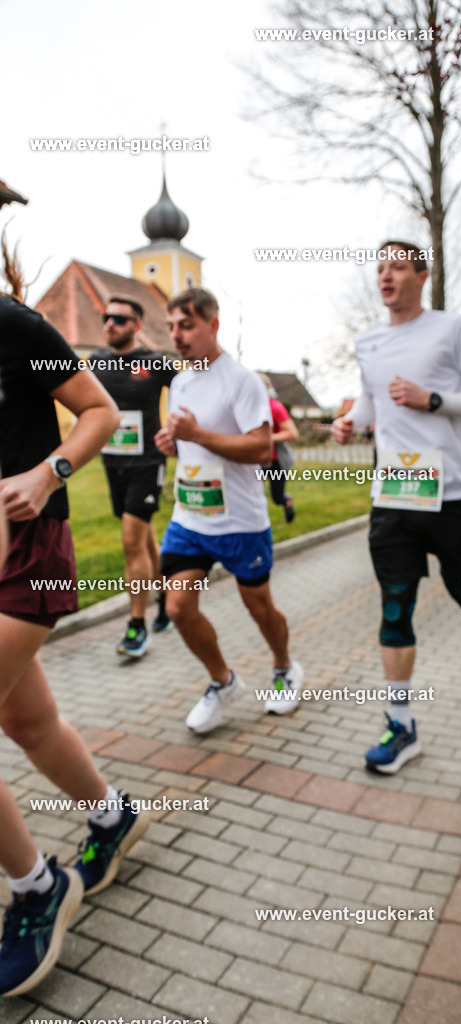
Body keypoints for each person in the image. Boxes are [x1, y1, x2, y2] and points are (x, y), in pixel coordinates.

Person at [0, 289, 149, 997]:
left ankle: (37, 888)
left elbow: (100, 411)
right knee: (27, 721)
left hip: (29, 555)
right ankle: (112, 816)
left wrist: (46, 472)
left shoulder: (13, 324)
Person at [331, 241, 461, 774]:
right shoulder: (368, 341)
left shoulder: (453, 330)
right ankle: (401, 724)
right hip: (393, 496)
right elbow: (372, 400)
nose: (385, 276)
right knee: (394, 605)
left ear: (422, 276)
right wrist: (351, 422)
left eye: (398, 267)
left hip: (449, 493)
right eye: (380, 267)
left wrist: (435, 400)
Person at [155, 288, 303, 732]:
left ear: (212, 324)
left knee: (259, 608)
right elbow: (190, 440)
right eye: (172, 327)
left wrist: (196, 435)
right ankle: (222, 680)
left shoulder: (242, 381)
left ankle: (284, 667)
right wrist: (173, 442)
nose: (177, 336)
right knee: (179, 607)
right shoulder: (180, 381)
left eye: (187, 325)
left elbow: (261, 448)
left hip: (240, 521)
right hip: (190, 516)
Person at [91, 296, 177, 658]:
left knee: (130, 540)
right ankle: (164, 596)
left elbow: (191, 392)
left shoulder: (155, 363)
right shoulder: (95, 363)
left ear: (136, 326)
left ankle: (136, 626)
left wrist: (176, 429)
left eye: (120, 319)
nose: (110, 324)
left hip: (147, 462)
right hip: (113, 462)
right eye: (106, 318)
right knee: (142, 536)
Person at [258, 373, 299, 522]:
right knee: (255, 495)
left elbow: (293, 433)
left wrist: (267, 439)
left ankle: (286, 501)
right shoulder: (247, 407)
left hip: (277, 462)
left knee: (277, 497)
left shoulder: (275, 407)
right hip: (258, 461)